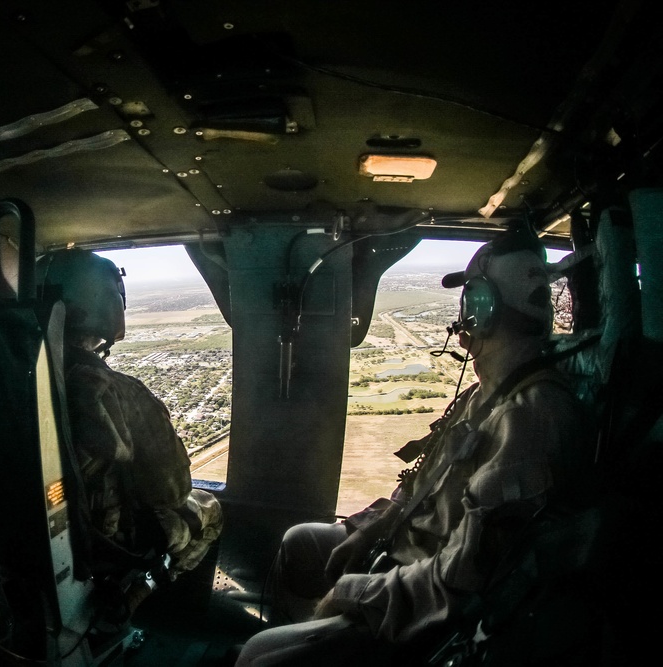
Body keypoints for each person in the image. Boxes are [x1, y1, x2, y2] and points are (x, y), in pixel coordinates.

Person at [235, 225, 596, 665]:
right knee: (298, 542)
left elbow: (462, 580)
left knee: (256, 656)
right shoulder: (486, 395)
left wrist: (355, 594)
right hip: (402, 551)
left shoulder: (530, 420)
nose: (463, 315)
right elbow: (422, 486)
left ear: (481, 308)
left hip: (429, 601)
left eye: (469, 301)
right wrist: (370, 527)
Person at [36, 248, 223, 599]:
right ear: (110, 308)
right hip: (101, 543)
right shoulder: (118, 391)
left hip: (14, 534)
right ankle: (140, 593)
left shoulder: (8, 377)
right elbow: (171, 491)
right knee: (209, 508)